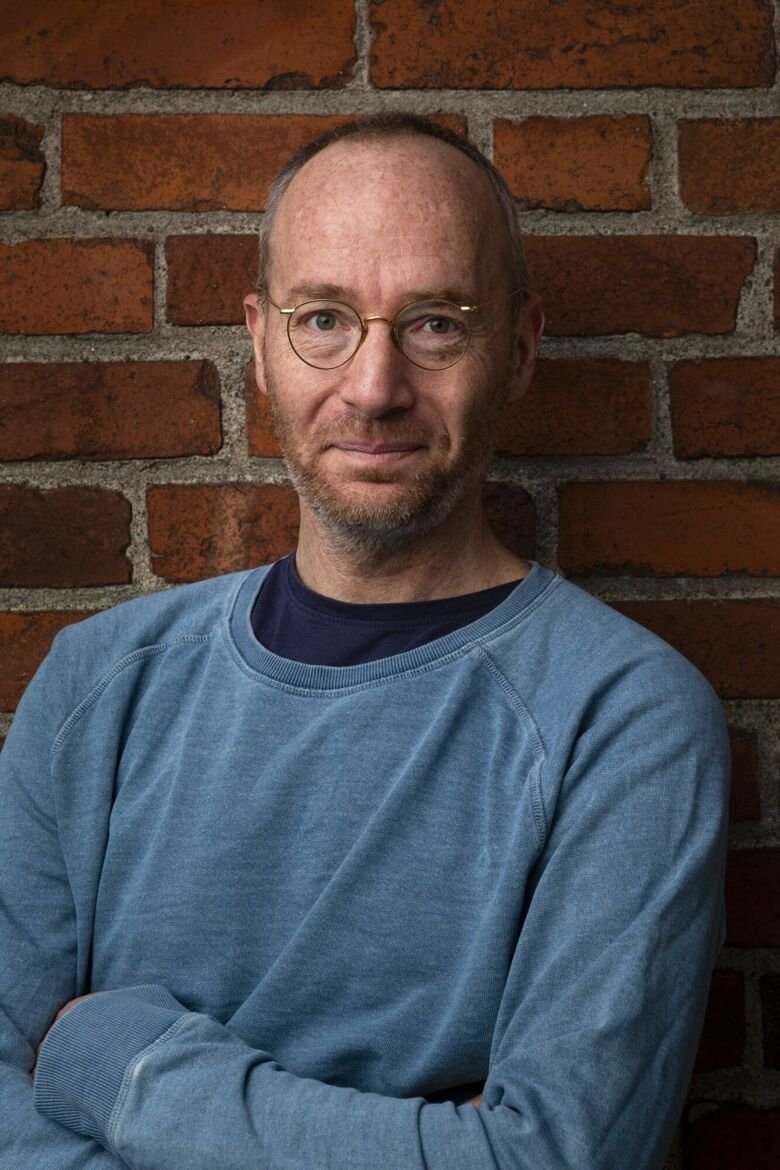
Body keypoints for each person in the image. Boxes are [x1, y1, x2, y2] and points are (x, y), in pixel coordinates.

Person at [0, 115, 728, 1170]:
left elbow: (556, 1160)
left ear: (518, 350)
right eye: (325, 319)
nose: (376, 387)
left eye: (435, 322)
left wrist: (126, 1067)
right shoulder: (96, 688)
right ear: (259, 343)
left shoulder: (624, 718)